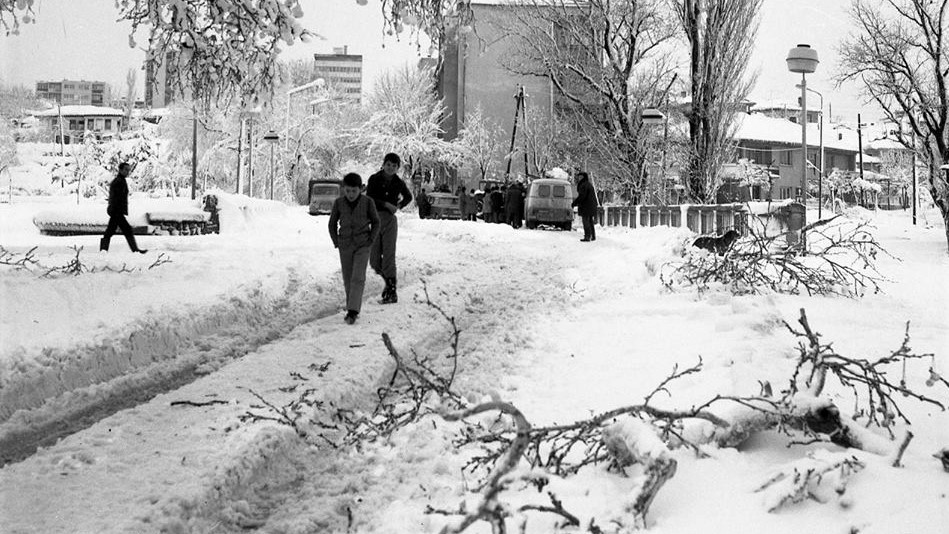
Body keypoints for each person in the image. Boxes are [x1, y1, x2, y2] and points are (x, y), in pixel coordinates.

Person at [328, 172, 380, 325]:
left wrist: (371, 240)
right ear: (344, 189)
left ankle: (352, 311)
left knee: (358, 277)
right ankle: (352, 305)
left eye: (354, 191)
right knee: (348, 277)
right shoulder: (339, 203)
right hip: (345, 245)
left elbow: (376, 222)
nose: (351, 194)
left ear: (360, 189)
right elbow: (332, 224)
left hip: (363, 244)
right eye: (348, 191)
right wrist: (336, 241)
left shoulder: (368, 202)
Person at [366, 153, 413, 304]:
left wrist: (399, 206)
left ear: (398, 168)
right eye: (388, 165)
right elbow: (370, 198)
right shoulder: (374, 179)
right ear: (383, 164)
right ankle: (387, 282)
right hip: (374, 220)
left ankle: (391, 291)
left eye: (394, 166)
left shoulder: (398, 182)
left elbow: (408, 197)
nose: (391, 168)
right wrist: (387, 204)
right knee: (374, 260)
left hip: (389, 222)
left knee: (389, 256)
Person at [100, 162, 147, 254]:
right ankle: (135, 250)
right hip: (116, 212)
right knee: (126, 230)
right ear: (120, 170)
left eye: (128, 170)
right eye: (126, 170)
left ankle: (104, 250)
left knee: (110, 232)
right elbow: (115, 198)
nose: (127, 172)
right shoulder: (118, 181)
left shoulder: (120, 180)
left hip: (116, 211)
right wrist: (116, 211)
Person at [572, 171, 599, 242]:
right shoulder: (588, 184)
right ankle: (592, 236)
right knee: (590, 221)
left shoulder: (583, 185)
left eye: (580, 177)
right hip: (591, 205)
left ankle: (587, 236)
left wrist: (574, 203)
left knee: (586, 221)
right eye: (578, 177)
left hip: (586, 206)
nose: (579, 178)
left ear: (583, 177)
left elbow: (582, 196)